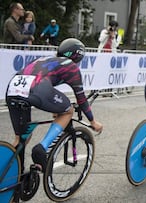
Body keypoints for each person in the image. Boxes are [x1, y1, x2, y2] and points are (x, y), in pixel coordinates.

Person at [5, 38, 103, 173]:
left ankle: (12, 176)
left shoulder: (45, 59)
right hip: (36, 89)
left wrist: (55, 107)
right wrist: (92, 121)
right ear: (78, 56)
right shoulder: (71, 66)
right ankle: (42, 147)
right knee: (68, 110)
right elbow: (81, 98)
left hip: (13, 88)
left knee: (21, 138)